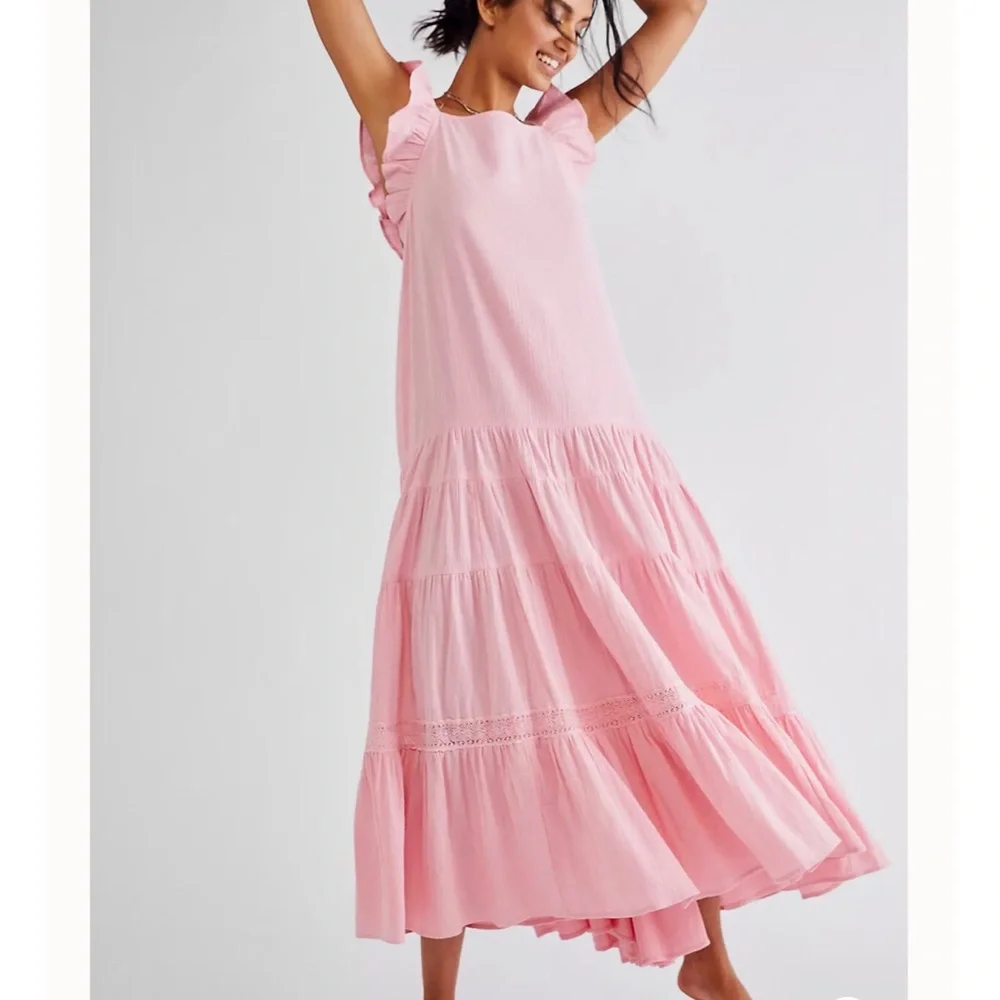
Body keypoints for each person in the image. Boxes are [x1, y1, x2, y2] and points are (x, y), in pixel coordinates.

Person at [306, 2, 889, 998]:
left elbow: (683, 8)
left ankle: (709, 966)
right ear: (490, 5)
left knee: (657, 685)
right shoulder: (410, 128)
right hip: (475, 475)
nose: (569, 36)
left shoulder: (566, 133)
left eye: (583, 21)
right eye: (554, 11)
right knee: (453, 705)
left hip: (600, 463)